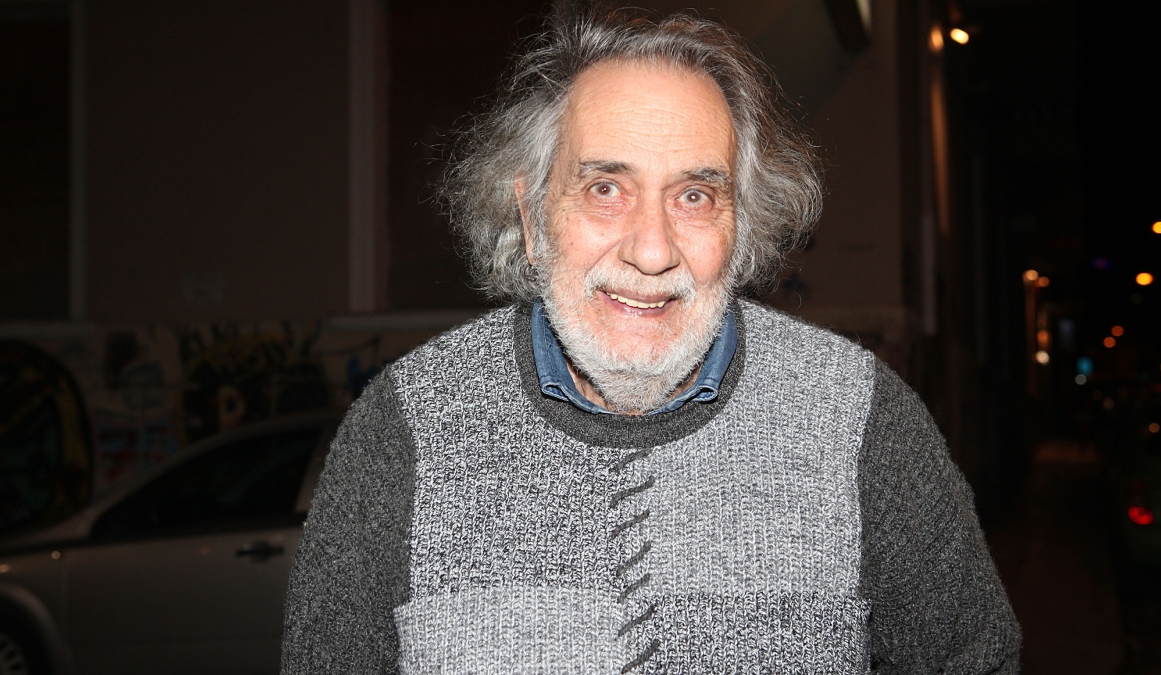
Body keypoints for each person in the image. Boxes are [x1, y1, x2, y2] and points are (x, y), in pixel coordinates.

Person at [282, 11, 1020, 674]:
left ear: (741, 230)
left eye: (695, 196)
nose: (652, 249)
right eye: (605, 188)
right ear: (533, 220)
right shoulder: (404, 425)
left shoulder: (861, 417)